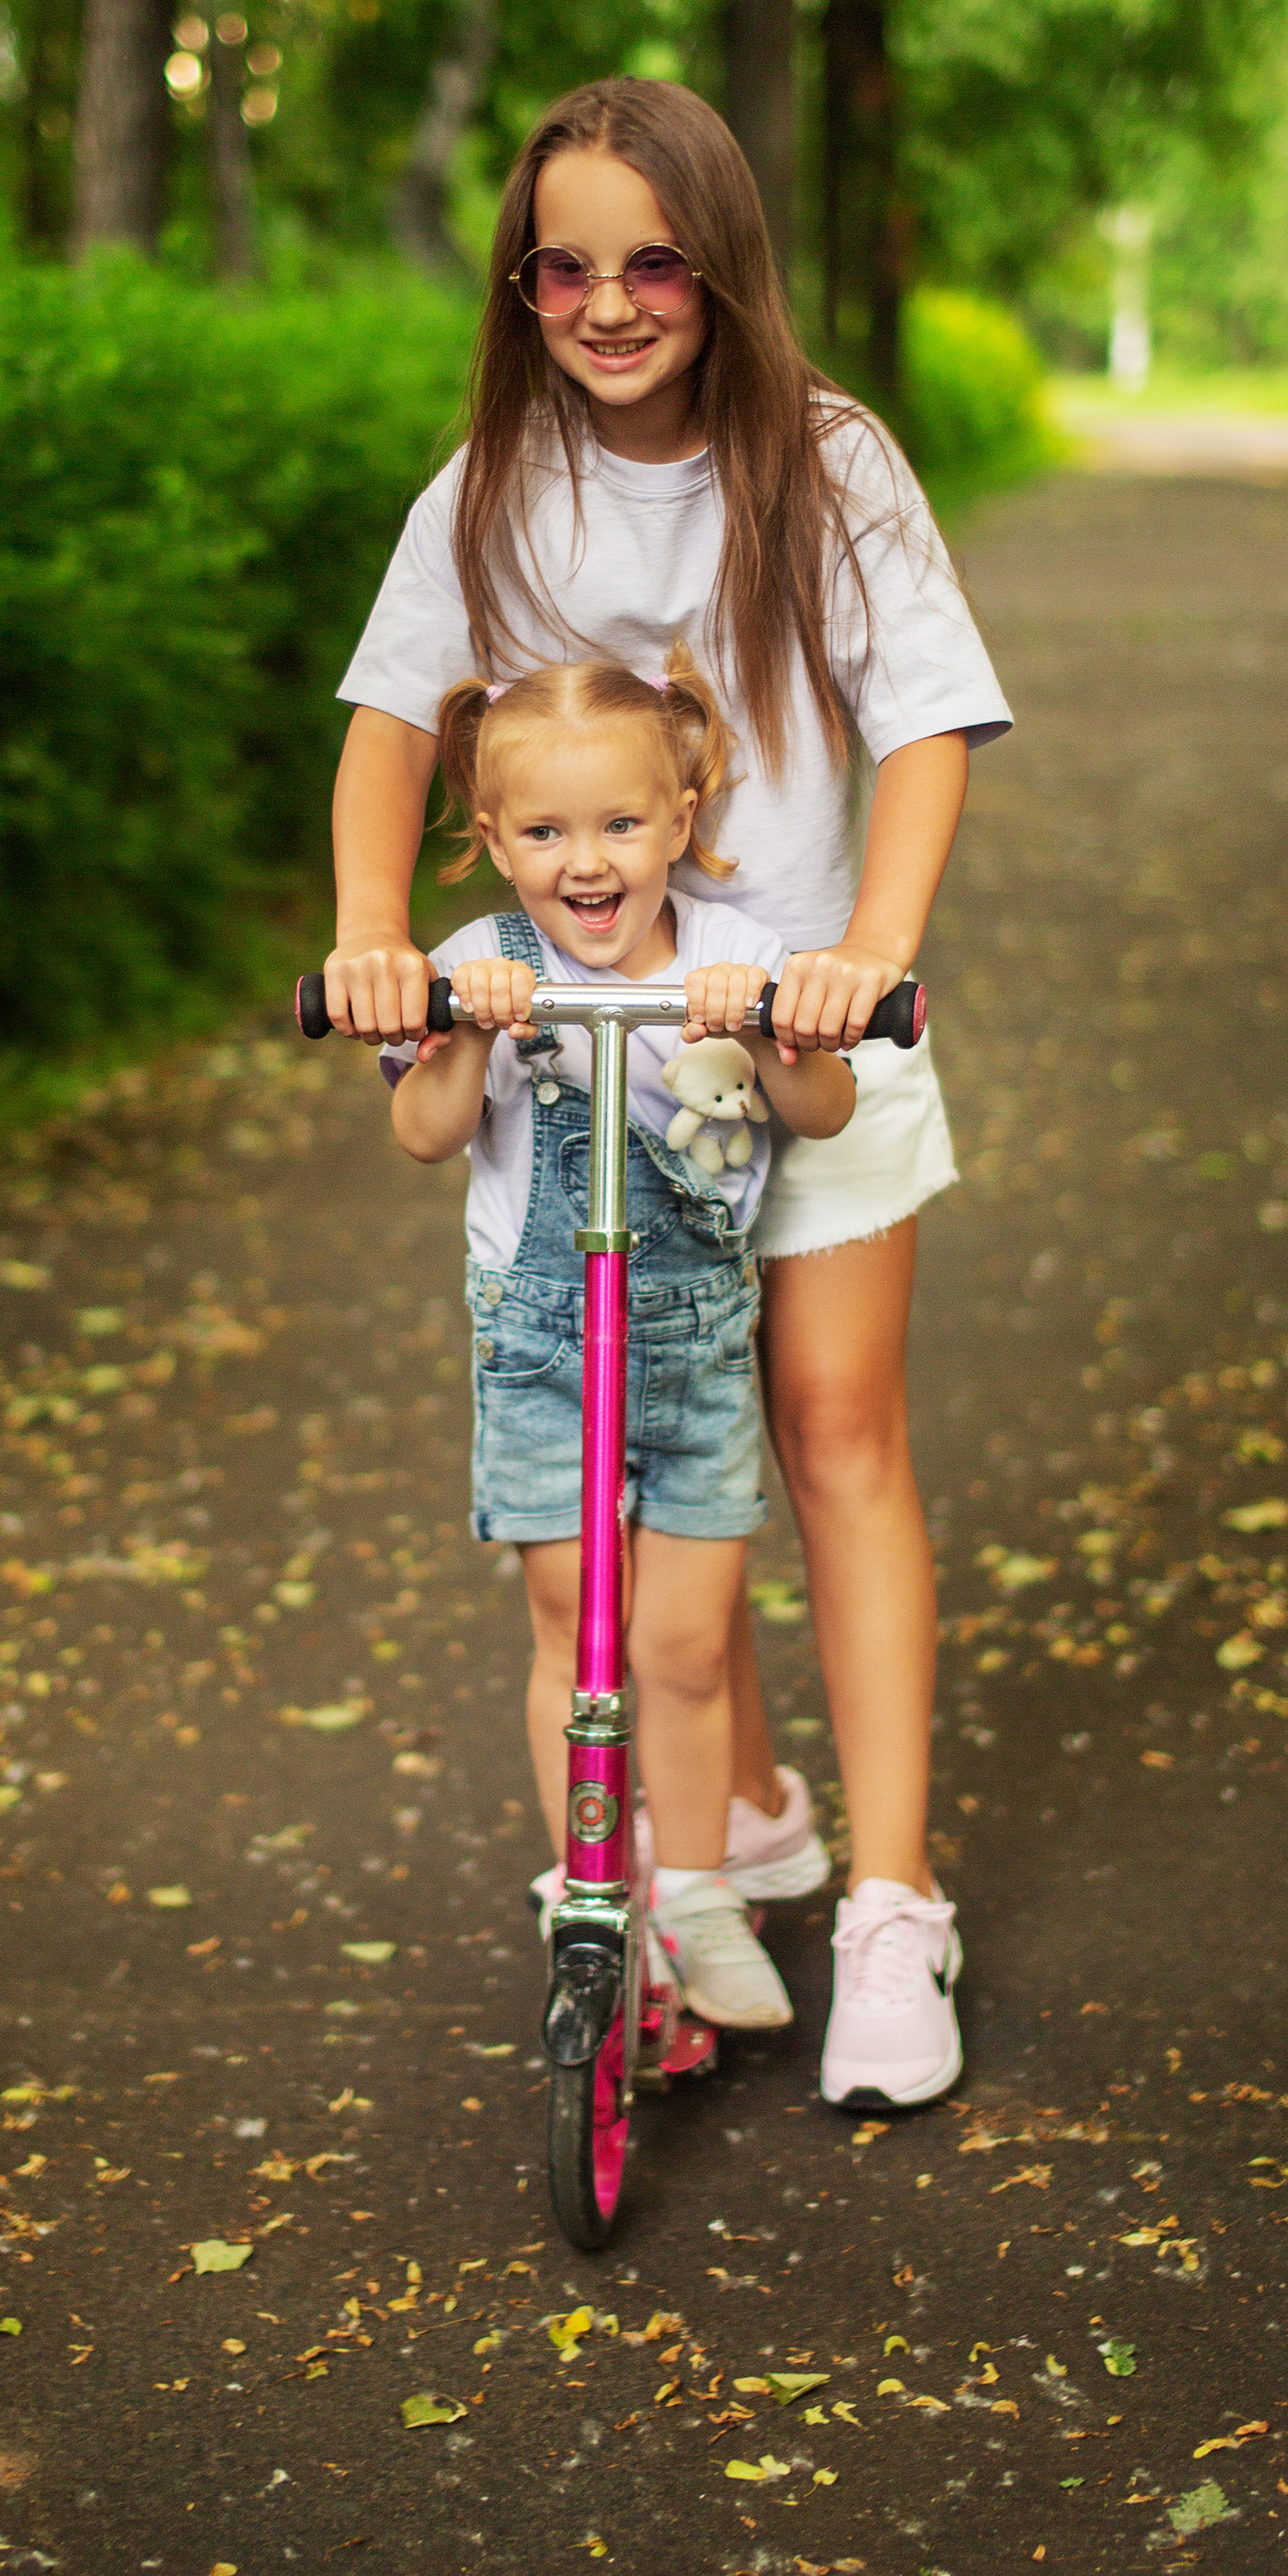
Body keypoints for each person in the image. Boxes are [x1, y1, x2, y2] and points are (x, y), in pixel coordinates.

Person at [322, 77, 1011, 2111]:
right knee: (643, 1483)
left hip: (799, 1033)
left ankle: (885, 1901)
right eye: (564, 263)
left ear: (713, 266)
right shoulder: (488, 489)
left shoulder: (827, 460)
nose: (608, 299)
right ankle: (731, 1830)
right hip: (596, 1068)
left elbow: (927, 725)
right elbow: (389, 722)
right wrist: (381, 932)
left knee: (829, 1434)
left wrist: (867, 951)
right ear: (520, 283)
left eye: (649, 260)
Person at [382, 651, 858, 2031]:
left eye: (619, 827)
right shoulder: (477, 962)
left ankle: (698, 1888)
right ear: (492, 839)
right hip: (541, 1345)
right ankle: (589, 1887)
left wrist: (774, 1026)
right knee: (573, 1626)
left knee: (689, 1646)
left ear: (680, 816)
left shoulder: (734, 955)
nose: (584, 864)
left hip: (697, 1345)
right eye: (543, 833)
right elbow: (421, 1134)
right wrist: (464, 1034)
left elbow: (819, 1110)